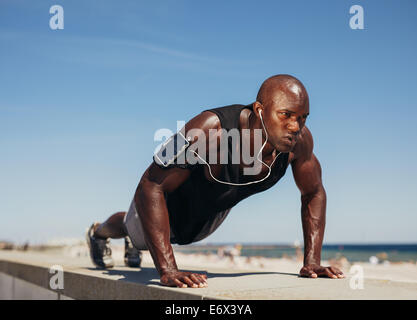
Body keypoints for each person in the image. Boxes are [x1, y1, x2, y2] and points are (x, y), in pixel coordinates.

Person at [86, 74, 345, 288]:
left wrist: (312, 261)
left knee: (170, 236)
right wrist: (168, 269)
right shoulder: (208, 129)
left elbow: (314, 192)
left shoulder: (299, 144)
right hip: (164, 207)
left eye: (302, 118)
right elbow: (151, 183)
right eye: (286, 114)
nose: (295, 126)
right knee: (131, 228)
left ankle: (135, 240)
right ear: (260, 110)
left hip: (208, 219)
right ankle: (98, 233)